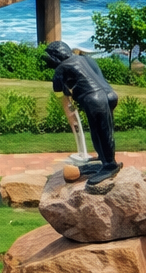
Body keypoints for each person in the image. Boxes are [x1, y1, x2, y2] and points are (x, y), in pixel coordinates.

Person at [45, 40, 121, 187]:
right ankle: (104, 159)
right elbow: (98, 74)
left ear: (56, 56)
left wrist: (70, 114)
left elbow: (61, 96)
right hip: (110, 94)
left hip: (94, 99)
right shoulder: (85, 58)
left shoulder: (61, 68)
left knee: (99, 132)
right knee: (106, 130)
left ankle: (110, 165)